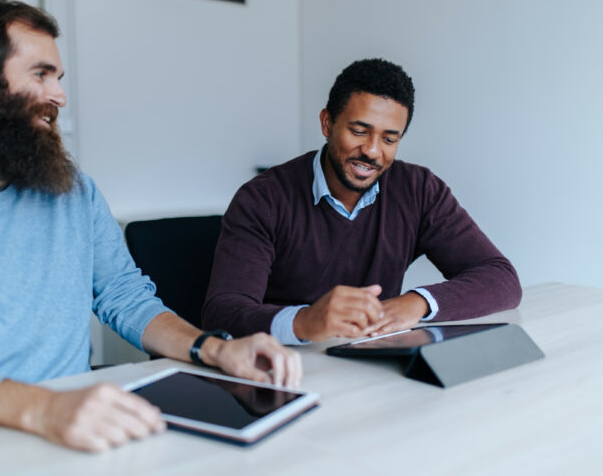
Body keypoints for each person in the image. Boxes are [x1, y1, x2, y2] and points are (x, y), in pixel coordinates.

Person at [0, 0, 301, 452]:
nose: (58, 95)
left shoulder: (73, 191)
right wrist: (44, 408)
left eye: (58, 78)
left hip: (71, 433)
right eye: (41, 74)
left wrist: (214, 349)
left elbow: (124, 295)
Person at [202, 58, 522, 344]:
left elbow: (501, 279)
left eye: (388, 139)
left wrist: (417, 303)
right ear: (327, 123)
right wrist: (306, 321)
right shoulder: (263, 199)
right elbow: (222, 313)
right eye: (359, 131)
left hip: (370, 365)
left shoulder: (420, 190)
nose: (371, 150)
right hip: (284, 366)